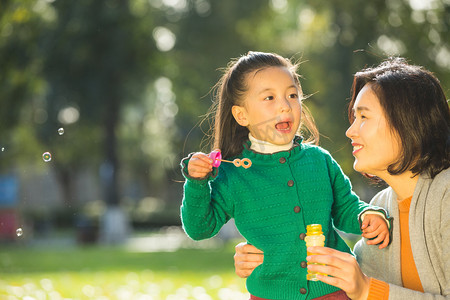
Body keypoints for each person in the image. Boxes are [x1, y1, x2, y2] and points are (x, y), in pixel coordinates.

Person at [180, 51, 392, 300]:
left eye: (292, 95)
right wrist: (196, 184)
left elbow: (346, 208)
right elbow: (199, 228)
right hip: (269, 295)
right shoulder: (232, 174)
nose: (285, 105)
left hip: (334, 291)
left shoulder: (319, 160)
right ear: (241, 115)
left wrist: (367, 215)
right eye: (269, 97)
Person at [234, 57, 450, 299]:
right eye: (354, 118)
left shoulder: (446, 196)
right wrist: (274, 257)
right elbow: (353, 276)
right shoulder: (380, 209)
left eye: (364, 117)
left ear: (407, 122)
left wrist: (367, 289)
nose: (350, 131)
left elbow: (364, 286)